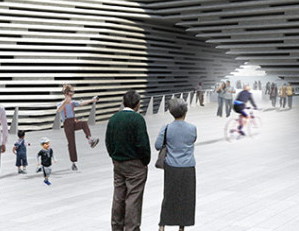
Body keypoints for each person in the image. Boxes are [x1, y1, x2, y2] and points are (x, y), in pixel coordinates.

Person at [106, 90, 150, 231]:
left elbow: (108, 142)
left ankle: (116, 227)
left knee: (118, 196)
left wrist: (114, 157)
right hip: (135, 165)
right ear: (137, 104)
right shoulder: (137, 120)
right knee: (133, 198)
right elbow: (143, 144)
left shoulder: (113, 119)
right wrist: (145, 161)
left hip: (118, 164)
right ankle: (131, 228)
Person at [154, 98, 197, 230]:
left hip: (171, 168)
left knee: (169, 196)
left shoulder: (166, 128)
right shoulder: (192, 128)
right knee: (186, 198)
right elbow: (193, 139)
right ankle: (181, 227)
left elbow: (157, 146)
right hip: (188, 168)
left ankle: (162, 225)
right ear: (185, 111)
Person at [56, 84, 99, 171]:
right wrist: (65, 102)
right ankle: (73, 163)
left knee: (83, 123)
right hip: (67, 124)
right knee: (71, 143)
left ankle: (90, 140)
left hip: (73, 122)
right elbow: (58, 110)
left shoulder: (73, 102)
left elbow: (81, 103)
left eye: (72, 93)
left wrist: (92, 100)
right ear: (65, 94)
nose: (72, 95)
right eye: (70, 93)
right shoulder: (60, 103)